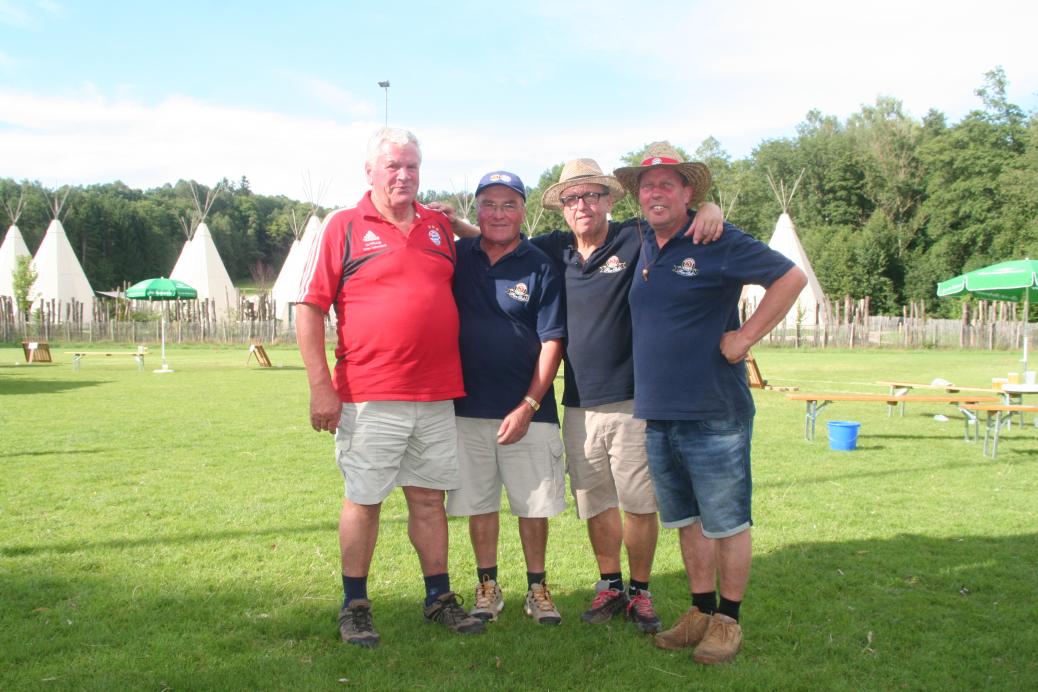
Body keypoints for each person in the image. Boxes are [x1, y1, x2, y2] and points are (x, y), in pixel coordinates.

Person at [443, 158, 724, 634]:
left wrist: (710, 207)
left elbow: (677, 218)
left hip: (635, 398)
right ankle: (610, 584)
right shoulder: (554, 249)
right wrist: (455, 223)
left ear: (610, 200)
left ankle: (641, 592)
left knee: (639, 503)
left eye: (592, 195)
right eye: (573, 198)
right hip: (578, 402)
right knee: (596, 502)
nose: (583, 205)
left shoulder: (636, 237)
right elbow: (499, 236)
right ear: (562, 208)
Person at [295, 127, 485, 649]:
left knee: (429, 501)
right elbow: (309, 308)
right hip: (369, 393)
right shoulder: (344, 226)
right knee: (365, 498)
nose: (403, 175)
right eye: (393, 166)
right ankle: (355, 604)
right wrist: (320, 387)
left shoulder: (438, 228)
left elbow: (493, 244)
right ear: (370, 172)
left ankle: (438, 599)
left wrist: (455, 219)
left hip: (436, 393)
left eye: (412, 167)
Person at [618, 141, 807, 664]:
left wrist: (743, 338)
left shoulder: (716, 237)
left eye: (668, 184)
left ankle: (729, 620)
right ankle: (700, 610)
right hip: (659, 414)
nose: (656, 192)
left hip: (714, 412)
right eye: (648, 185)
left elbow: (791, 278)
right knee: (688, 520)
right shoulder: (644, 243)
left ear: (688, 193)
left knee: (726, 521)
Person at [446, 171, 569, 626]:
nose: (499, 213)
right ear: (476, 209)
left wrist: (529, 404)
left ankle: (537, 588)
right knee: (479, 503)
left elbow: (553, 341)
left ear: (524, 210)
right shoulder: (458, 256)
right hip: (465, 407)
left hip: (529, 413)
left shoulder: (540, 265)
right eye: (490, 204)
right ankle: (488, 586)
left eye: (509, 205)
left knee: (533, 505)